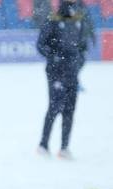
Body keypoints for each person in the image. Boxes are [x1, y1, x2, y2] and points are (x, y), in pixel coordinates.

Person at [36, 0, 88, 159]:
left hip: (72, 72)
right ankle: (43, 145)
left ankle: (64, 148)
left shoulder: (78, 19)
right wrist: (55, 58)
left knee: (70, 109)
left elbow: (82, 47)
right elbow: (41, 44)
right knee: (54, 107)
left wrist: (78, 63)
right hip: (55, 72)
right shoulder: (53, 20)